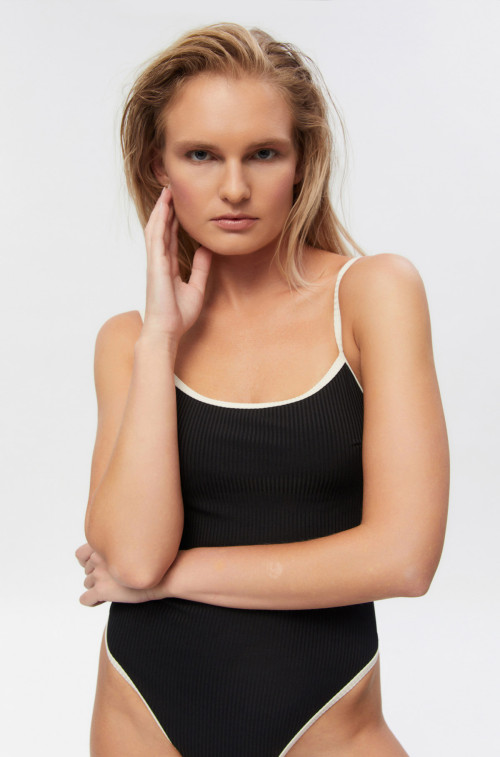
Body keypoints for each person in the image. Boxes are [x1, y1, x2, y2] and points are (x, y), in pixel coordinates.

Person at [75, 22, 449, 757]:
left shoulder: (372, 295)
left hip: (329, 722)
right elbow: (132, 557)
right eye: (201, 155)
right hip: (142, 714)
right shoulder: (129, 343)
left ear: (302, 160)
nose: (235, 187)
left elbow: (404, 559)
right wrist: (161, 338)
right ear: (158, 167)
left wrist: (172, 577)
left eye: (264, 153)